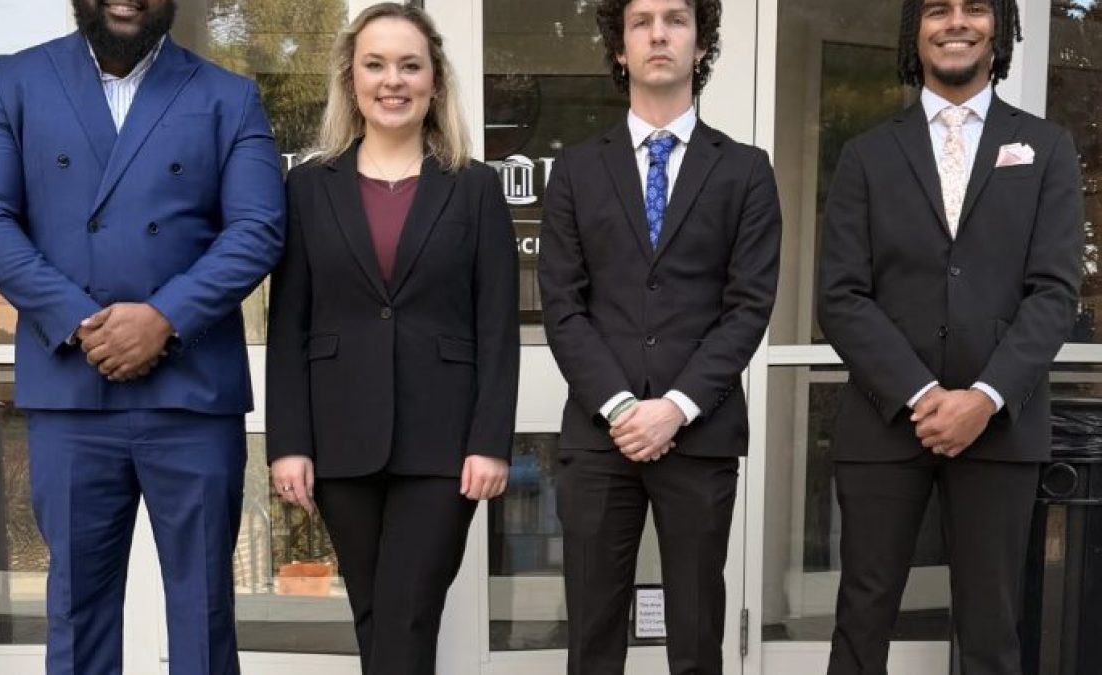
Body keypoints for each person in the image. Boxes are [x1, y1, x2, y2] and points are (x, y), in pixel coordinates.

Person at [0, 0, 285, 672]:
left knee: (204, 612)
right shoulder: (12, 81)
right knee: (77, 612)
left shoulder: (229, 95)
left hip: (192, 397)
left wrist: (162, 319)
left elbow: (257, 229)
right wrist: (81, 320)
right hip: (71, 392)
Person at [818, 1, 1084, 673]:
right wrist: (923, 393)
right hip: (883, 422)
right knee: (862, 614)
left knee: (991, 627)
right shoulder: (868, 154)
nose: (956, 21)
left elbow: (1054, 293)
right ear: (917, 30)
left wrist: (985, 397)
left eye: (974, 7)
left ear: (999, 28)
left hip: (1002, 426)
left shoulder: (1048, 148)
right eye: (938, 9)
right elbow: (841, 297)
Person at [264, 3, 519, 674]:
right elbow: (288, 321)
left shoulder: (474, 188)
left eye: (411, 65)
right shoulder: (307, 189)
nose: (393, 80)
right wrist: (287, 440)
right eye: (375, 64)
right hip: (340, 439)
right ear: (351, 79)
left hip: (442, 445)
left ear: (435, 80)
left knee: (407, 608)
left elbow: (496, 326)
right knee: (375, 611)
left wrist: (490, 439)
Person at [537, 0, 781, 672]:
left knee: (698, 632)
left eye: (676, 19)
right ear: (620, 49)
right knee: (591, 633)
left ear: (702, 44)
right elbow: (562, 305)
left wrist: (674, 407)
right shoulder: (576, 171)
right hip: (599, 436)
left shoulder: (746, 172)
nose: (658, 33)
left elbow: (748, 307)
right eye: (640, 21)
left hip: (700, 436)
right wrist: (621, 407)